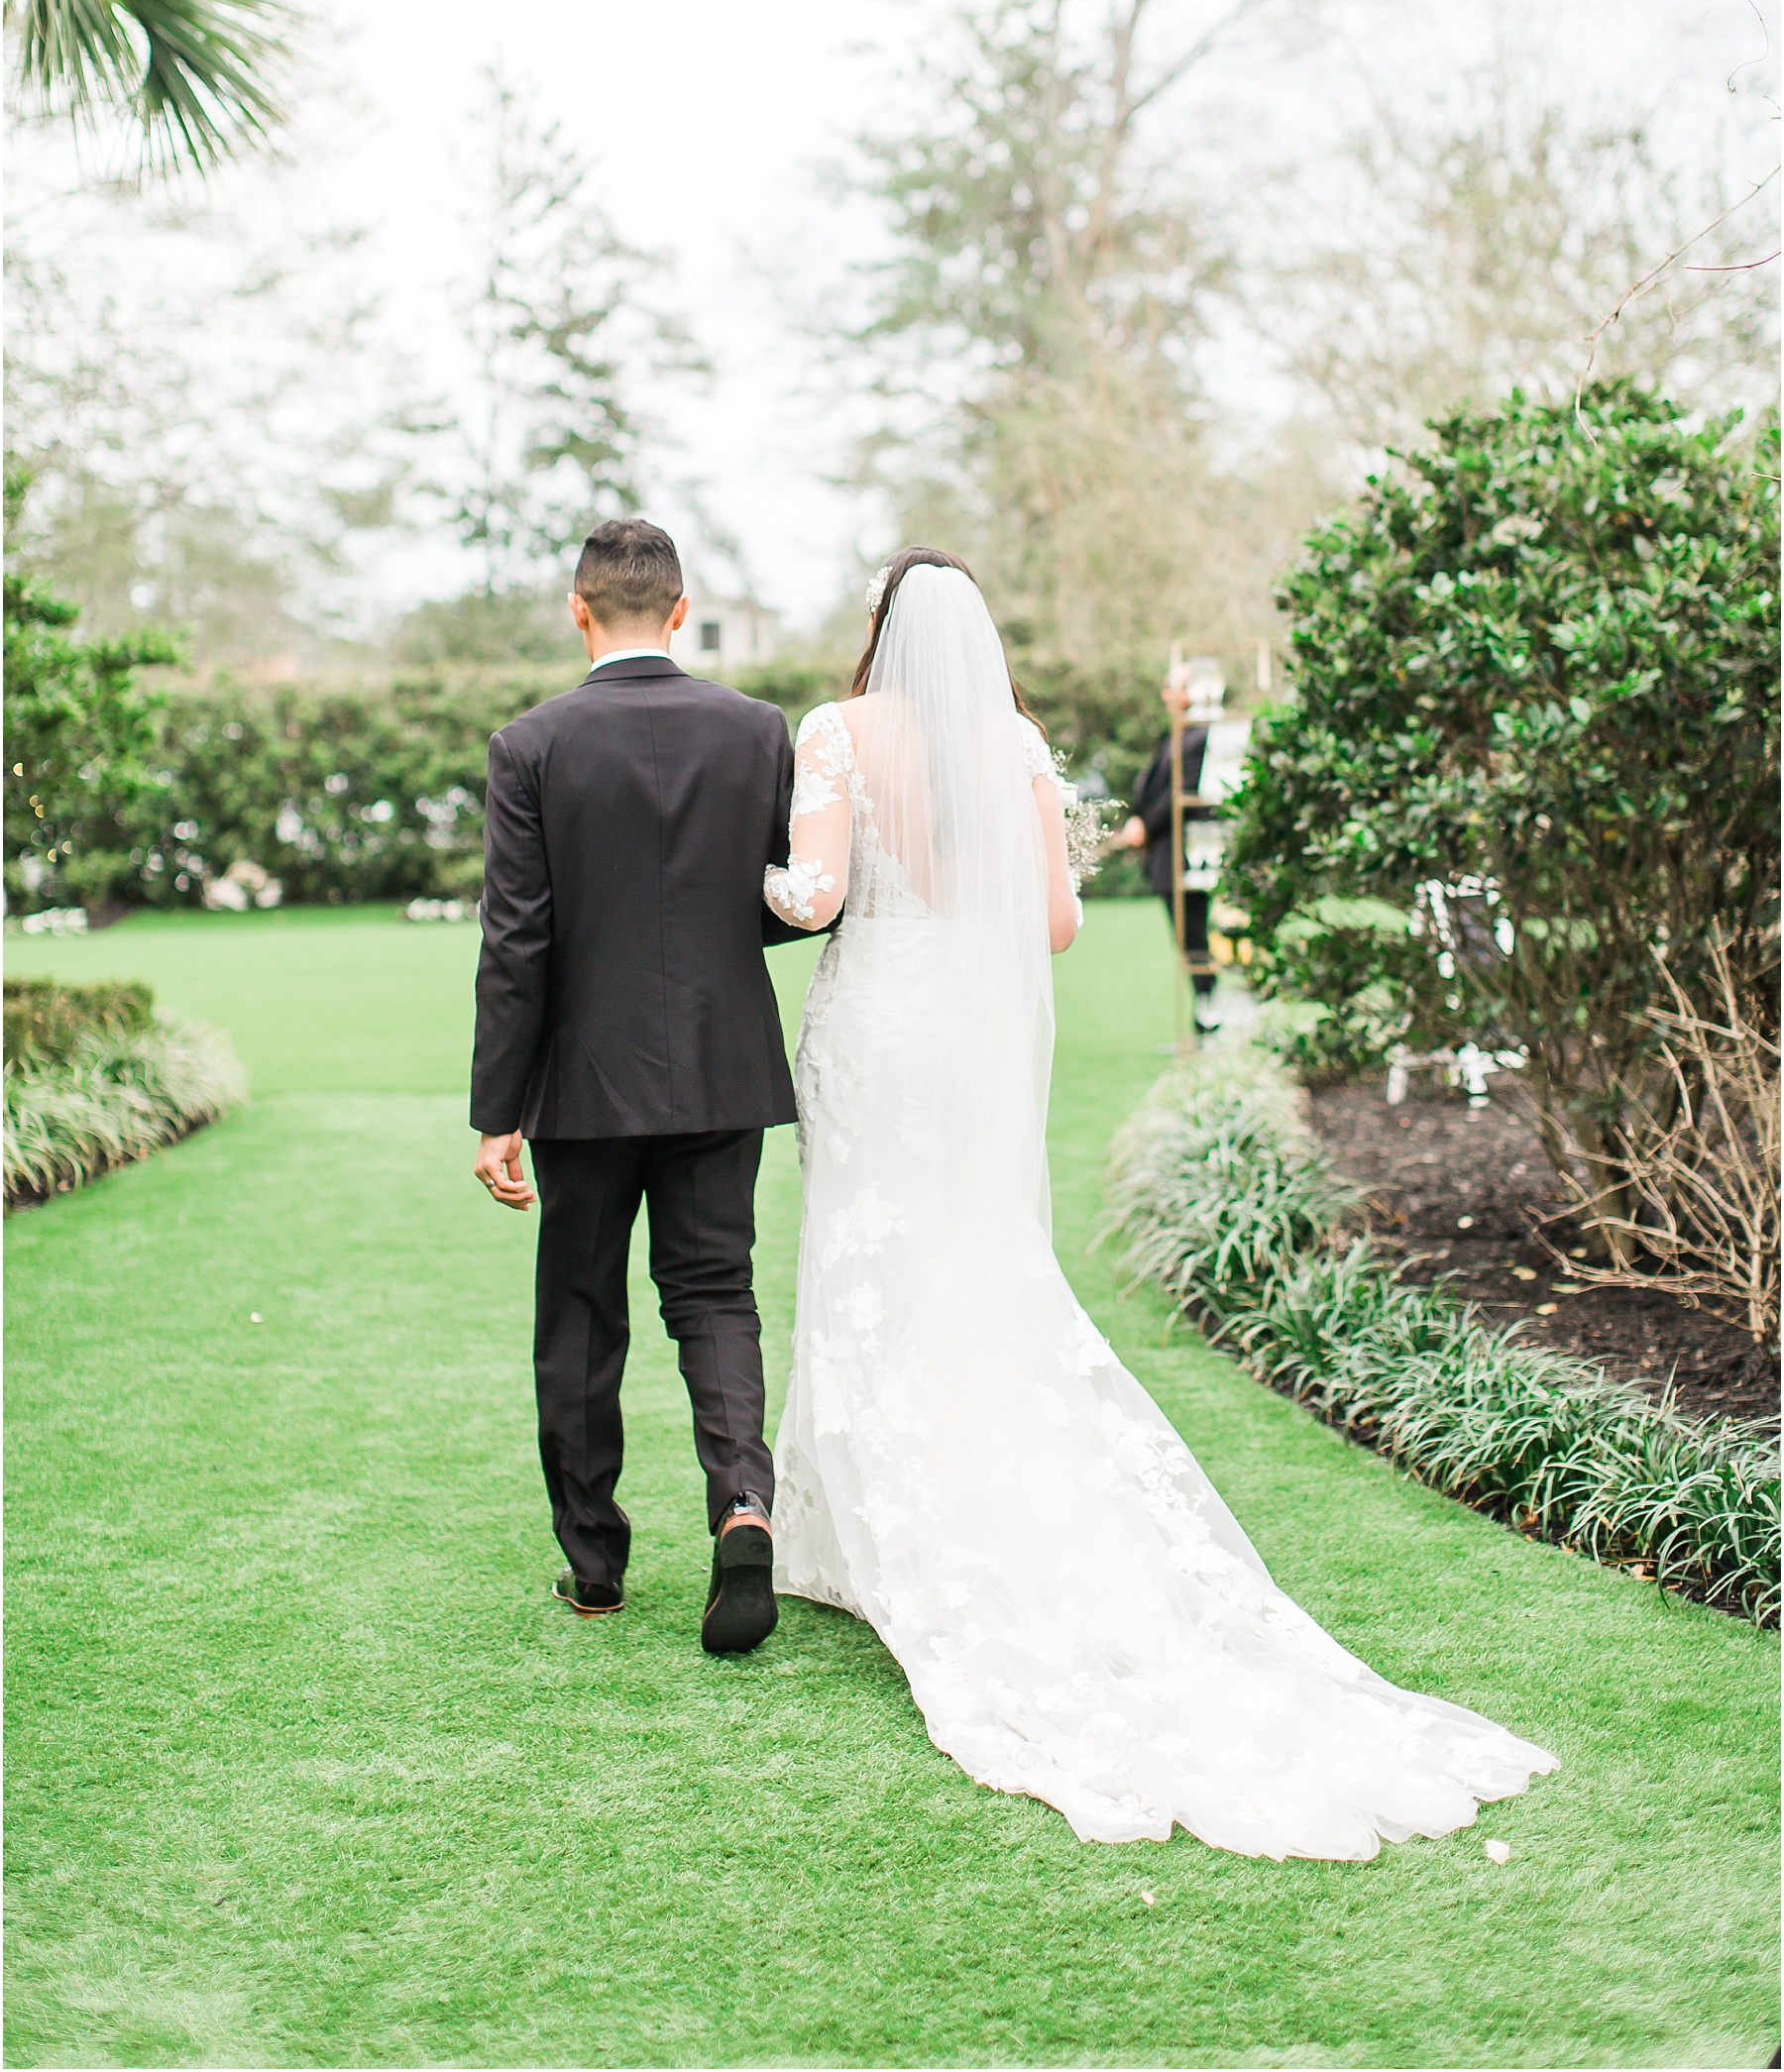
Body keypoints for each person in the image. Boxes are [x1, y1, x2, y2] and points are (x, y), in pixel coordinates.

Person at [762, 548, 1556, 1855]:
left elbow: (817, 895)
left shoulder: (835, 732)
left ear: (879, 632)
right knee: (964, 1253)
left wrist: (747, 879)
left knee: (861, 1255)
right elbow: (1060, 923)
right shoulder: (1008, 736)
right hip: (963, 1044)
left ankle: (854, 1535)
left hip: (875, 1035)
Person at [471, 517, 803, 1657]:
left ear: (578, 611)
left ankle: (596, 1568)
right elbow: (793, 896)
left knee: (579, 1311)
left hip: (582, 1085)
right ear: (678, 607)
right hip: (723, 1067)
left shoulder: (532, 745)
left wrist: (495, 1115)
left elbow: (517, 944)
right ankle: (743, 1507)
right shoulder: (757, 733)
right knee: (715, 1294)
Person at [1120, 704, 1220, 1023]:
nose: (1167, 694)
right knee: (1187, 939)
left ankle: (1209, 1013)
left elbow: (1182, 790)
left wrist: (1145, 826)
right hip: (1166, 854)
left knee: (1195, 937)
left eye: (1175, 686)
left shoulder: (1198, 737)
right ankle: (1204, 1015)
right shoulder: (1173, 736)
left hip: (1188, 853)